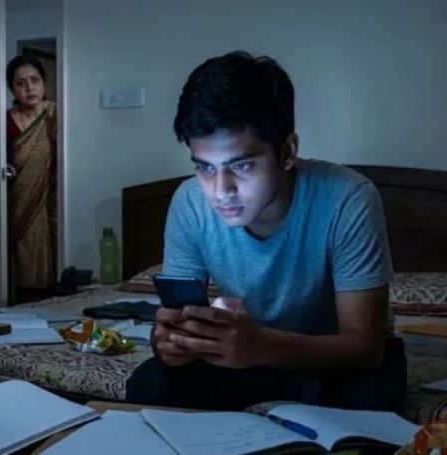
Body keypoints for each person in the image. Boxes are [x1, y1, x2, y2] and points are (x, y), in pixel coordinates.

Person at [126, 51, 406, 413]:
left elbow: (365, 347)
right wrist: (168, 341)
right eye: (205, 168)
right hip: (243, 355)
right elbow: (177, 322)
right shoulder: (190, 202)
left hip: (331, 359)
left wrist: (262, 346)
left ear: (287, 152)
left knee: (374, 395)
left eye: (242, 166)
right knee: (150, 383)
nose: (221, 191)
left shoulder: (348, 198)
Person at [6, 55, 58, 301]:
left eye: (35, 80)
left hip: (50, 197)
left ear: (44, 83)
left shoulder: (55, 114)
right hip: (16, 199)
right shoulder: (4, 121)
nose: (29, 88)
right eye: (21, 83)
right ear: (12, 89)